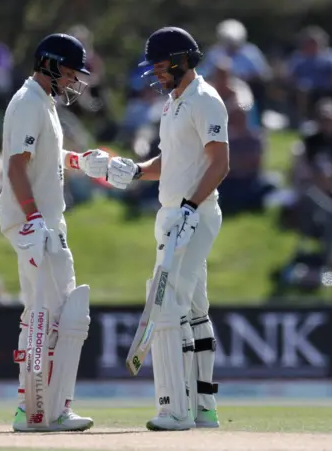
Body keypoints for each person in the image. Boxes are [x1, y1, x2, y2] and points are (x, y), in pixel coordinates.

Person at [106, 27, 229, 431]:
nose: (156, 74)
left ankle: (175, 408)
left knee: (169, 301)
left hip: (195, 214)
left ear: (180, 60)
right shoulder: (174, 102)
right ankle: (204, 407)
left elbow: (219, 163)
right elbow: (173, 159)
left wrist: (192, 208)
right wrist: (138, 170)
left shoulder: (205, 100)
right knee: (194, 308)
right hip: (172, 214)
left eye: (160, 66)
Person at [0, 33, 110, 432]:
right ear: (49, 64)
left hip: (41, 221)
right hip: (35, 222)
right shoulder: (29, 102)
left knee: (42, 314)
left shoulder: (39, 103)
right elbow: (15, 166)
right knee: (58, 315)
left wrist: (80, 161)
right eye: (69, 72)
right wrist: (33, 219)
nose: (73, 81)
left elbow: (45, 155)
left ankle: (32, 407)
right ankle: (43, 411)